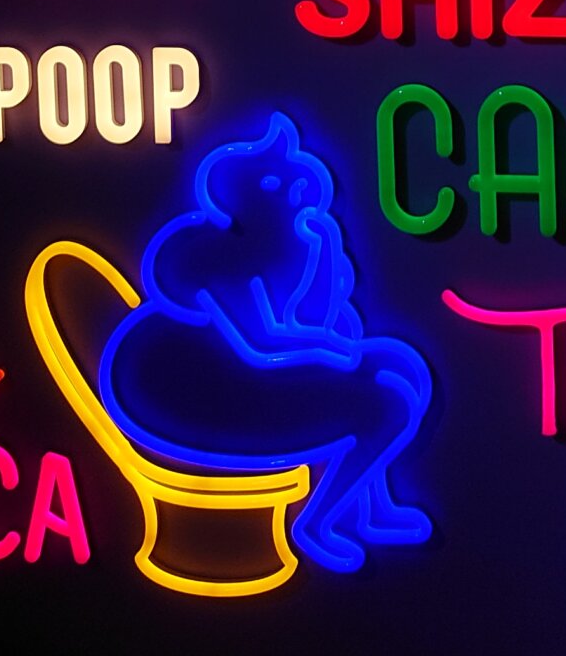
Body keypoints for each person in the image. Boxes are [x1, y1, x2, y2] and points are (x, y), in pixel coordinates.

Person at [100, 113, 432, 571]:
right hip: (191, 400)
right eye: (289, 194)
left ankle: (373, 511)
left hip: (233, 381)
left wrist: (324, 261)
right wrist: (335, 353)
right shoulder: (217, 261)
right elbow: (260, 344)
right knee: (383, 408)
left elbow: (310, 319)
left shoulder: (262, 253)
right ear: (259, 197)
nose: (299, 203)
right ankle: (317, 524)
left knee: (395, 368)